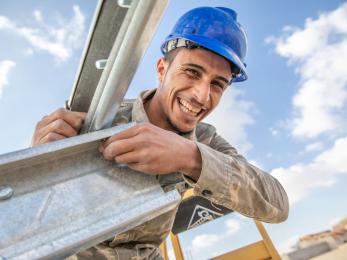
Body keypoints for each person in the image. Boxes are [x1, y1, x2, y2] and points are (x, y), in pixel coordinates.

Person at [31, 6, 289, 260]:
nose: (202, 95)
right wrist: (39, 164)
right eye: (192, 72)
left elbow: (277, 205)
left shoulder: (205, 140)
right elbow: (39, 211)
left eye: (217, 84)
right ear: (162, 69)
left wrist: (191, 159)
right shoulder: (101, 117)